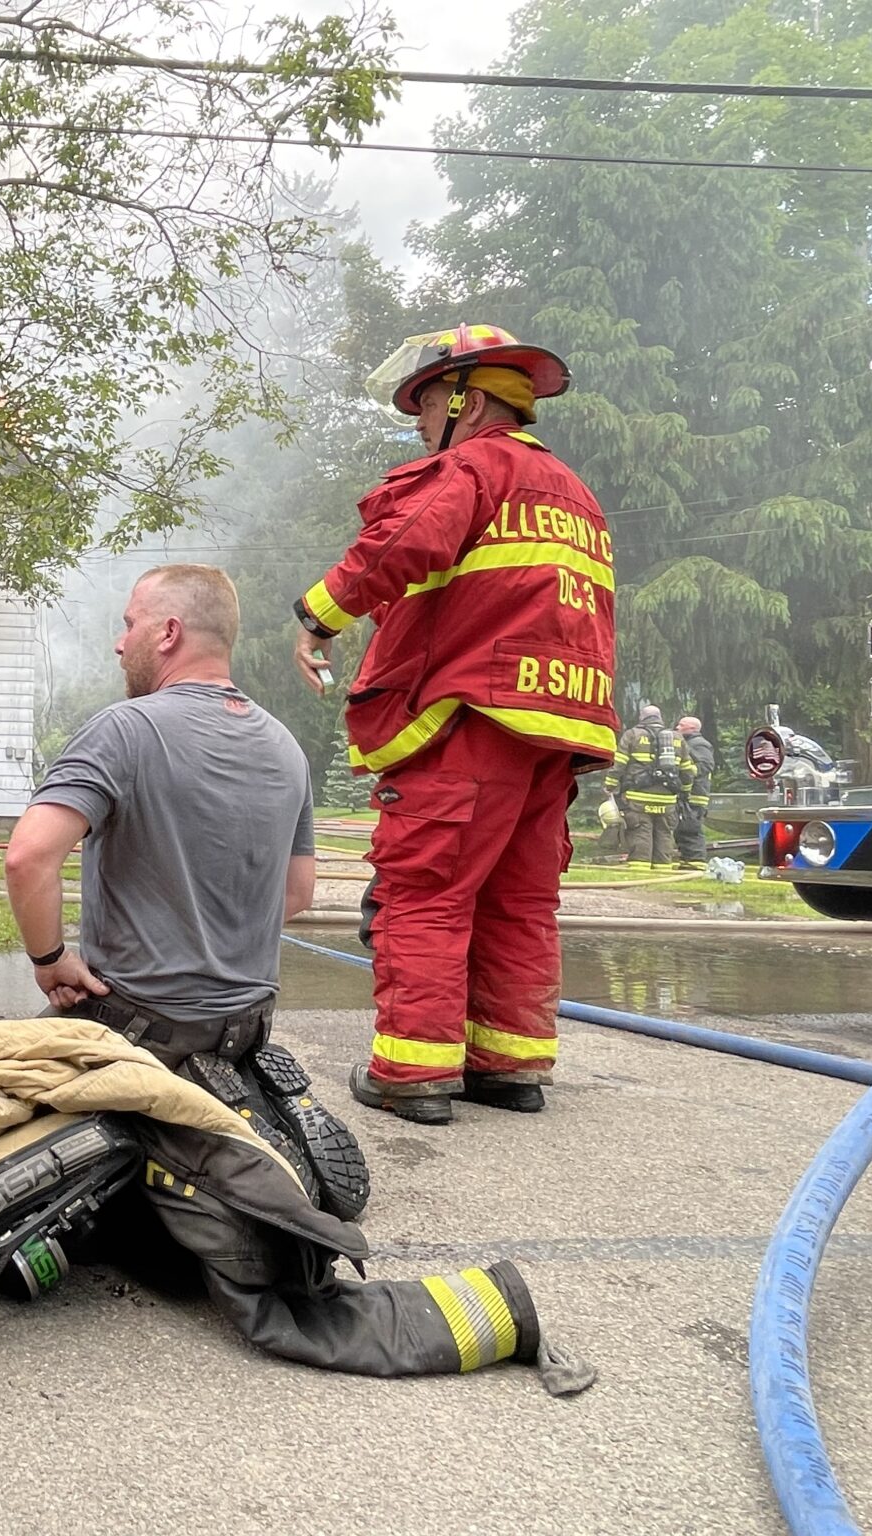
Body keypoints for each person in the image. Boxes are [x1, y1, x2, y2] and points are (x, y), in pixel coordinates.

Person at [294, 324, 616, 1126]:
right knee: (518, 898)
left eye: (428, 403)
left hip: (471, 717)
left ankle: (412, 1071)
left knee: (426, 892)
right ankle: (508, 1067)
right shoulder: (573, 493)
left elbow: (401, 543)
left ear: (469, 403)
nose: (419, 424)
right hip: (552, 731)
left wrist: (317, 617)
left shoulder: (472, 467)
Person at [5, 565, 370, 1222]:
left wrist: (50, 960)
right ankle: (241, 1095)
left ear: (168, 633)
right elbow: (298, 893)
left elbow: (29, 858)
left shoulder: (125, 730)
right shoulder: (286, 749)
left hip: (137, 1022)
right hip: (246, 1022)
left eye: (130, 625)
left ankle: (176, 1132)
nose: (120, 643)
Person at [607, 704, 693, 871]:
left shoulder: (632, 735)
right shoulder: (677, 738)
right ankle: (663, 869)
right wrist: (685, 791)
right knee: (664, 833)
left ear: (642, 717)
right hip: (667, 798)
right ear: (660, 718)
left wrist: (610, 785)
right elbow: (687, 770)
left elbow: (619, 764)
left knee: (640, 832)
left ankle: (640, 869)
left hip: (638, 797)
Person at [674, 714, 714, 867]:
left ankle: (696, 861)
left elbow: (706, 765)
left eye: (681, 725)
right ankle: (687, 860)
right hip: (688, 794)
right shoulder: (687, 743)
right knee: (682, 829)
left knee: (691, 829)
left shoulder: (699, 744)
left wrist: (685, 772)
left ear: (692, 728)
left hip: (695, 795)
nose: (677, 727)